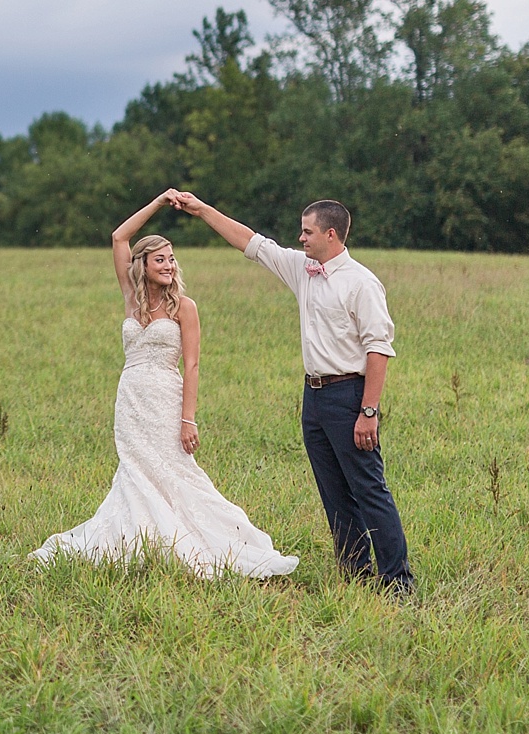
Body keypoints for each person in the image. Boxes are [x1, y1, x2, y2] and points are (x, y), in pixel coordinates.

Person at [30, 189, 299, 578]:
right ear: (143, 265)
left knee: (176, 471)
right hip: (131, 399)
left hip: (165, 399)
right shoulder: (131, 299)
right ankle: (139, 538)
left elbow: (191, 365)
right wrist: (157, 204)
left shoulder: (183, 307)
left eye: (172, 259)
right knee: (135, 470)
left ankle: (202, 539)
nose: (169, 266)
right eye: (160, 259)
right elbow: (119, 237)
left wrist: (188, 419)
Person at [173, 192, 416, 597]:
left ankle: (397, 582)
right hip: (314, 398)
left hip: (350, 395)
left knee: (369, 489)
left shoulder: (361, 283)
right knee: (333, 492)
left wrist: (368, 411)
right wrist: (200, 209)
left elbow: (378, 349)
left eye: (307, 232)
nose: (300, 238)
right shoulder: (303, 270)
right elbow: (252, 242)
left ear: (331, 234)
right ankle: (356, 572)